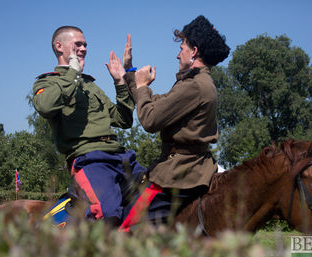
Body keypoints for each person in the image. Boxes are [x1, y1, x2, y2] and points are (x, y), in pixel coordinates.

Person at [119, 15, 230, 230]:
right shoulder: (196, 82)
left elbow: (150, 119)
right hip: (186, 171)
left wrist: (141, 86)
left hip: (178, 176)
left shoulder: (195, 85)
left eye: (182, 47)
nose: (178, 54)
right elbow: (156, 105)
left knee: (128, 231)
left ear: (194, 51)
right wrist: (130, 71)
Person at [32, 26, 146, 227]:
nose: (84, 48)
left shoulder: (91, 86)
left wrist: (120, 82)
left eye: (85, 44)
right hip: (91, 160)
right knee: (107, 211)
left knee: (159, 194)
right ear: (59, 46)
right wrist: (72, 73)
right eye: (78, 44)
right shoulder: (48, 82)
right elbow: (45, 106)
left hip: (121, 157)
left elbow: (123, 120)